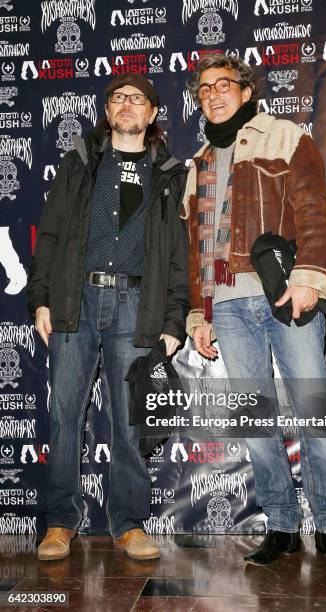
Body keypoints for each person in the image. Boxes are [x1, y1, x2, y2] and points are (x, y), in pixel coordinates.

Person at [183, 53, 326, 571]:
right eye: (204, 88)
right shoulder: (197, 164)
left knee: (314, 410)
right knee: (254, 419)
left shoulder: (284, 136)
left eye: (224, 84)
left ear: (246, 91)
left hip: (284, 295)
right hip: (228, 305)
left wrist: (309, 277)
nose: (213, 93)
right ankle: (282, 525)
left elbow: (314, 207)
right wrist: (200, 313)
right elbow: (196, 249)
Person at [27, 74, 189, 561]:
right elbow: (50, 235)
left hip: (137, 307)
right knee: (64, 417)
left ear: (153, 114)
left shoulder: (170, 174)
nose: (126, 104)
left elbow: (180, 257)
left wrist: (174, 321)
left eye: (137, 99)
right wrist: (41, 298)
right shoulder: (79, 163)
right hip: (75, 301)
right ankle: (59, 523)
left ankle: (129, 524)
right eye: (118, 98)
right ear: (107, 109)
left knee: (130, 422)